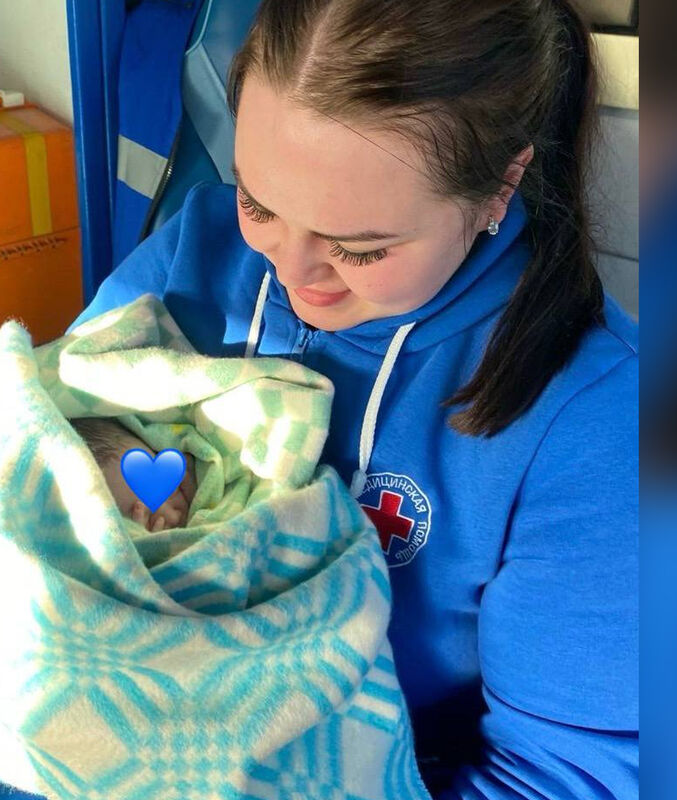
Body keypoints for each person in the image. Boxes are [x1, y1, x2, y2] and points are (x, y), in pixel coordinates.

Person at [69, 0, 638, 797]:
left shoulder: (598, 425)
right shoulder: (192, 255)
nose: (291, 272)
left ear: (500, 184)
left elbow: (558, 778)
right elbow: (29, 437)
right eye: (258, 202)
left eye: (360, 248)